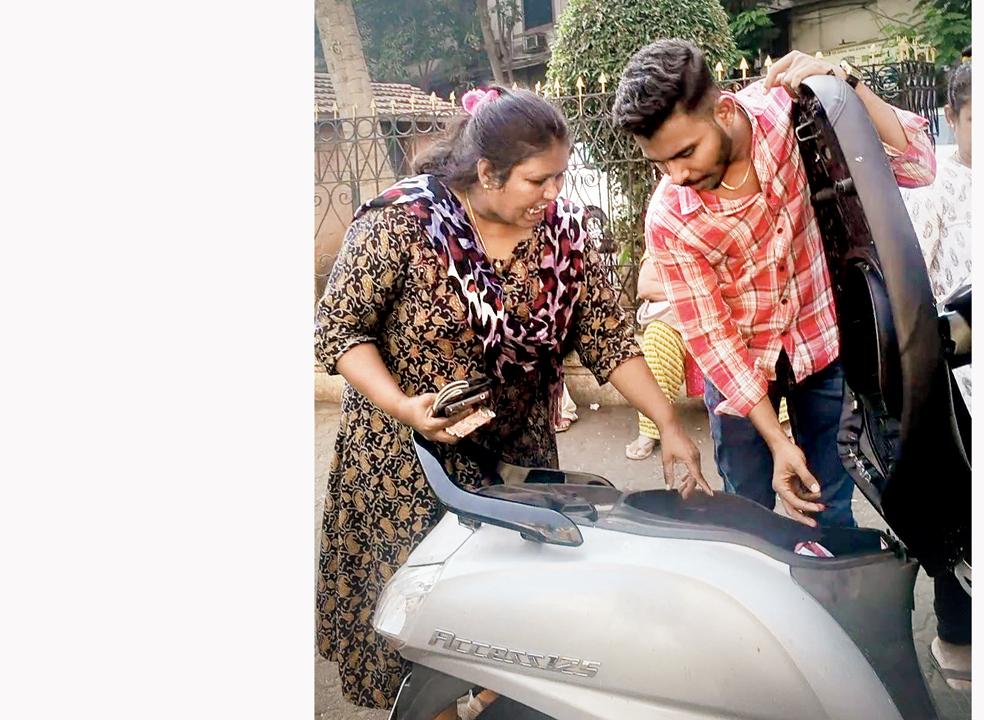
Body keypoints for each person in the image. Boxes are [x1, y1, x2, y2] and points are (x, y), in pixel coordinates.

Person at [314, 85, 710, 712]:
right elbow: (341, 331)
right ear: (487, 173)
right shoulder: (403, 225)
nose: (553, 195)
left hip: (512, 466)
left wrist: (670, 423)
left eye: (560, 178)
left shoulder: (564, 240)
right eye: (537, 181)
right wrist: (405, 405)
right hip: (404, 465)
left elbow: (608, 338)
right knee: (423, 637)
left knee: (510, 628)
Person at [612, 40, 936, 528]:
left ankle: (831, 597)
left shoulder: (794, 115)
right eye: (660, 164)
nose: (675, 175)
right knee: (747, 513)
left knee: (828, 508)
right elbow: (712, 338)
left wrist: (842, 84)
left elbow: (919, 164)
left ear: (723, 110)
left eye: (684, 153)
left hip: (822, 349)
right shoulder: (671, 217)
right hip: (739, 376)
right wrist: (778, 440)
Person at [902, 54, 972, 691]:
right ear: (952, 117)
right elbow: (913, 281)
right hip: (959, 380)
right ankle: (957, 635)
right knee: (963, 513)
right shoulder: (936, 186)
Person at [627, 253, 790, 460]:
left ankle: (780, 425)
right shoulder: (669, 227)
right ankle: (653, 427)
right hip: (681, 319)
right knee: (656, 338)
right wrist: (703, 294)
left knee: (763, 338)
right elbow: (647, 286)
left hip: (733, 320)